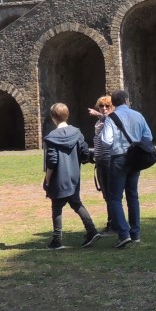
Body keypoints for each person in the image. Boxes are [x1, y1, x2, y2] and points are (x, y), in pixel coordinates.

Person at [42, 102, 101, 249]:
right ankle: (92, 230)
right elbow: (85, 153)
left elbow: (52, 162)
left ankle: (57, 240)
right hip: (74, 176)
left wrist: (47, 180)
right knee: (76, 203)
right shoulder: (77, 133)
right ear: (67, 115)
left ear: (53, 118)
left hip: (58, 178)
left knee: (56, 207)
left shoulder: (51, 137)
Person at [101, 89, 153, 248]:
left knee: (114, 197)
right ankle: (135, 233)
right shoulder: (138, 115)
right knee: (132, 196)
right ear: (127, 100)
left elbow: (106, 140)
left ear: (113, 103)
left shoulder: (111, 118)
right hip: (134, 158)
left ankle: (123, 233)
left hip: (118, 158)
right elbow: (148, 137)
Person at [87, 95, 117, 235]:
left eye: (107, 106)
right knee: (106, 194)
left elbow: (110, 121)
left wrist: (99, 115)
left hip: (108, 160)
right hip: (100, 161)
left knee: (111, 194)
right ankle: (113, 222)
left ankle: (114, 224)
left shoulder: (112, 120)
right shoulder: (99, 123)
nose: (104, 109)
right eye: (101, 106)